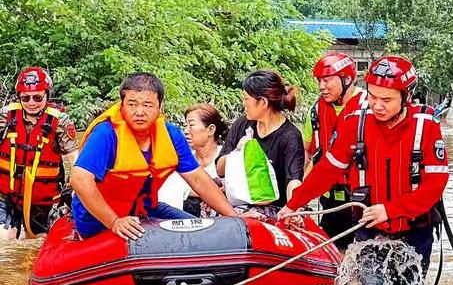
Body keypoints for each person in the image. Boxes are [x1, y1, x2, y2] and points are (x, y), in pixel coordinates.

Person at [278, 56, 449, 285]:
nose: (377, 105)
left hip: (415, 229)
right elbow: (327, 171)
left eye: (386, 100)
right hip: (369, 226)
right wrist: (293, 205)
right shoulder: (355, 122)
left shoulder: (426, 126)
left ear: (406, 96)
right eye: (372, 96)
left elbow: (435, 185)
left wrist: (390, 210)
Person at [71, 73, 237, 241]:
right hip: (99, 219)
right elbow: (79, 179)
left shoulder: (170, 134)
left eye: (148, 105)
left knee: (203, 234)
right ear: (122, 105)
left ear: (160, 106)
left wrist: (234, 217)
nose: (140, 112)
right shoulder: (106, 134)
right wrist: (114, 221)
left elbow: (198, 180)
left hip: (145, 210)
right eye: (132, 104)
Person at [0, 67, 78, 238]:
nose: (31, 103)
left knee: (37, 242)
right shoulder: (6, 116)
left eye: (37, 97)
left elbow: (75, 159)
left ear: (47, 95)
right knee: (5, 239)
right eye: (25, 98)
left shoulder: (60, 122)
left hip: (43, 202)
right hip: (7, 196)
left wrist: (74, 188)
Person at [216, 69, 304, 219]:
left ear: (263, 102)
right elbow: (220, 170)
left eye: (246, 99)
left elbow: (293, 180)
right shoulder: (242, 124)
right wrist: (236, 152)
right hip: (238, 207)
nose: (243, 104)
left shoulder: (290, 136)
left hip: (273, 210)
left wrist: (293, 209)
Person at [303, 52, 367, 248]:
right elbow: (308, 155)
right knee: (333, 262)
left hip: (364, 203)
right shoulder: (315, 112)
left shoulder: (371, 107)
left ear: (347, 79)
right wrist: (299, 199)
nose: (322, 86)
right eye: (319, 81)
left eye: (328, 80)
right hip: (329, 202)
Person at [158, 103, 228, 217]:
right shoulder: (183, 161)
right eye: (185, 125)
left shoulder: (224, 160)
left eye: (191, 125)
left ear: (211, 129)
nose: (186, 131)